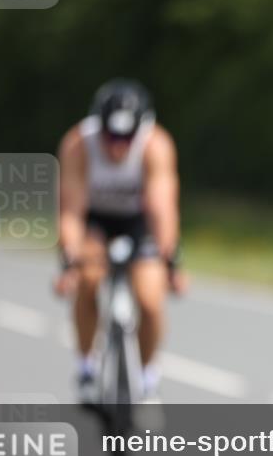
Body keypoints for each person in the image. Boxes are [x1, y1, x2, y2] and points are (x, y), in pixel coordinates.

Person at [53, 79, 186, 403]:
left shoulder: (156, 145)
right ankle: (86, 367)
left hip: (138, 221)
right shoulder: (77, 144)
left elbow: (162, 209)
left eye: (125, 138)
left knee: (151, 299)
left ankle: (147, 377)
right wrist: (69, 262)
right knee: (88, 280)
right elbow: (70, 211)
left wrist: (170, 262)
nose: (116, 147)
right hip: (95, 220)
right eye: (110, 137)